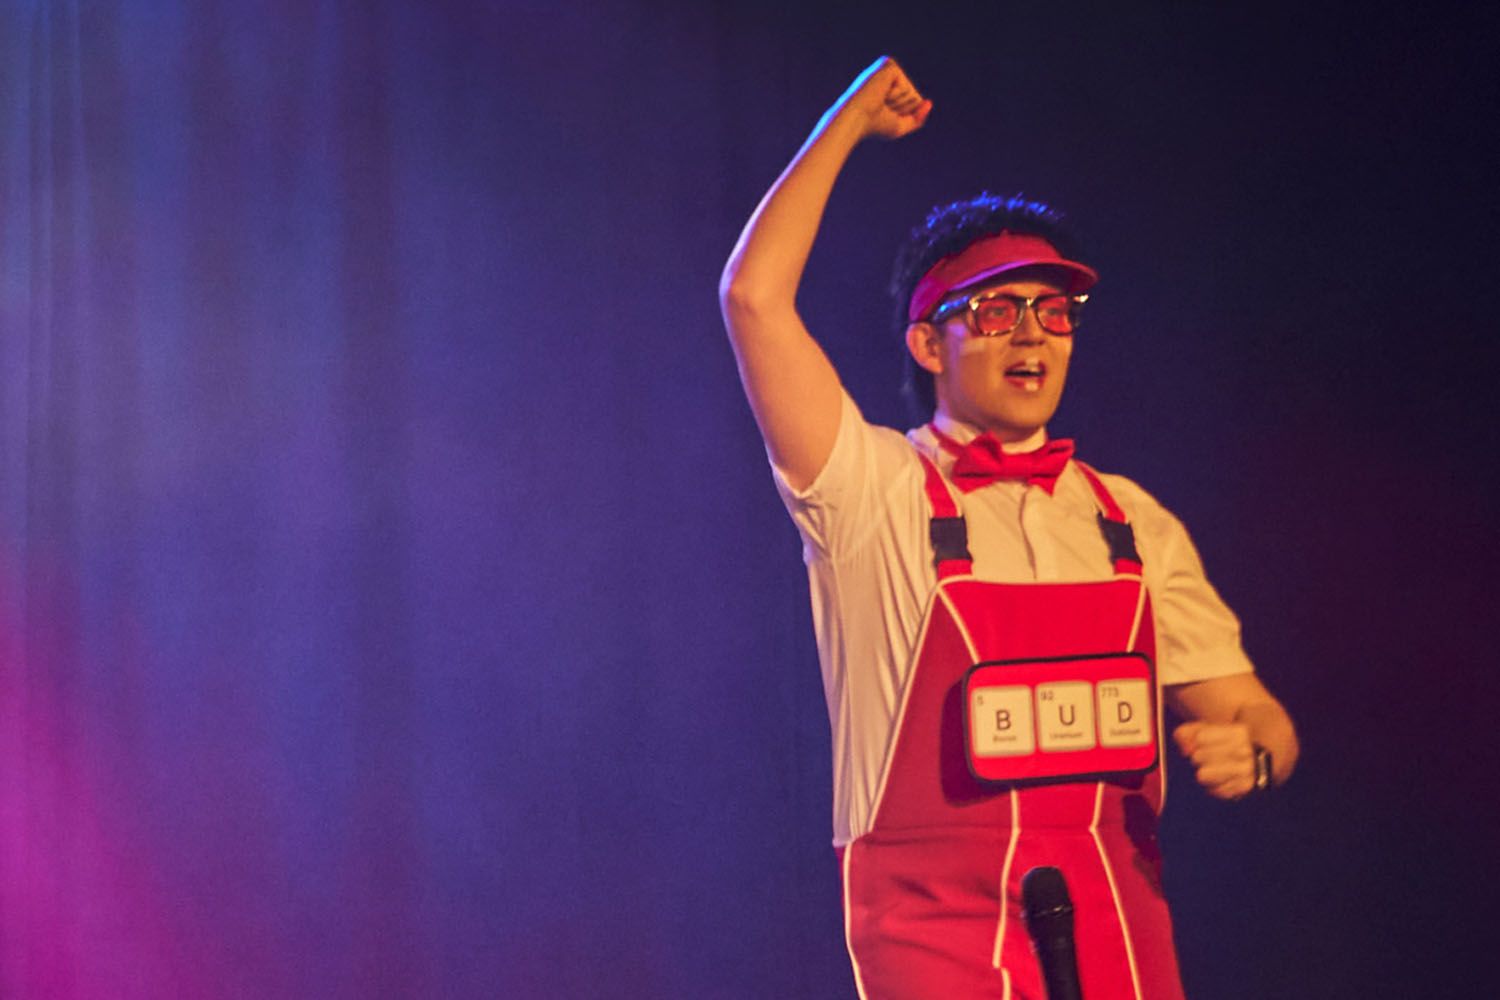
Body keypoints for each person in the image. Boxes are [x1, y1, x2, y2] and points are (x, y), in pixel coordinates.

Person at [718, 57, 1299, 1000]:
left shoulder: (1129, 519)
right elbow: (753, 299)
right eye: (994, 309)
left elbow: (1254, 714)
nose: (1031, 334)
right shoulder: (872, 492)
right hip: (935, 933)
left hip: (1120, 914)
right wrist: (848, 119)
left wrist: (1256, 754)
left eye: (1054, 311)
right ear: (925, 341)